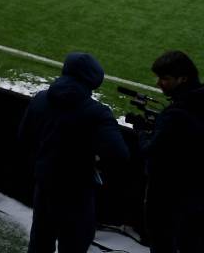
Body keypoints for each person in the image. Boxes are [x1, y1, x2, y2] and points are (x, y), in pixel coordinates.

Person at [18, 52, 129, 253]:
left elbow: (24, 138)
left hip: (44, 185)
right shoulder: (97, 113)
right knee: (74, 244)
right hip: (77, 193)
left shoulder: (41, 98)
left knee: (40, 241)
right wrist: (95, 161)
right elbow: (119, 155)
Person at [141, 50, 204, 253]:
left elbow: (151, 150)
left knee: (162, 239)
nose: (159, 83)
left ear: (182, 79)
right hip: (196, 193)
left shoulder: (175, 115)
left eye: (165, 79)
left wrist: (143, 135)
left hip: (170, 194)